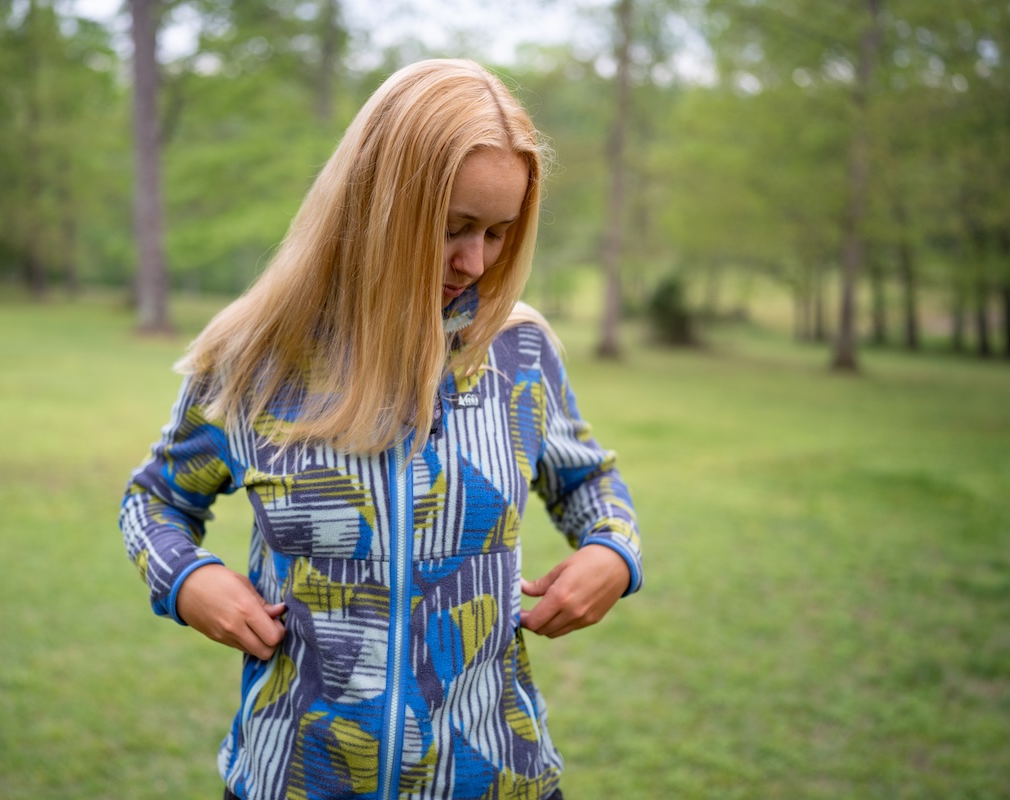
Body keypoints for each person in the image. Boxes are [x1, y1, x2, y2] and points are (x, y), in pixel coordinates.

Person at [120, 58, 643, 800]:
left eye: (498, 233)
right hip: (294, 780)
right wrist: (189, 579)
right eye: (455, 228)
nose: (476, 263)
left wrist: (612, 552)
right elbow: (154, 502)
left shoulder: (519, 351)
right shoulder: (256, 358)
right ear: (377, 203)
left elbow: (590, 479)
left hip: (498, 778)